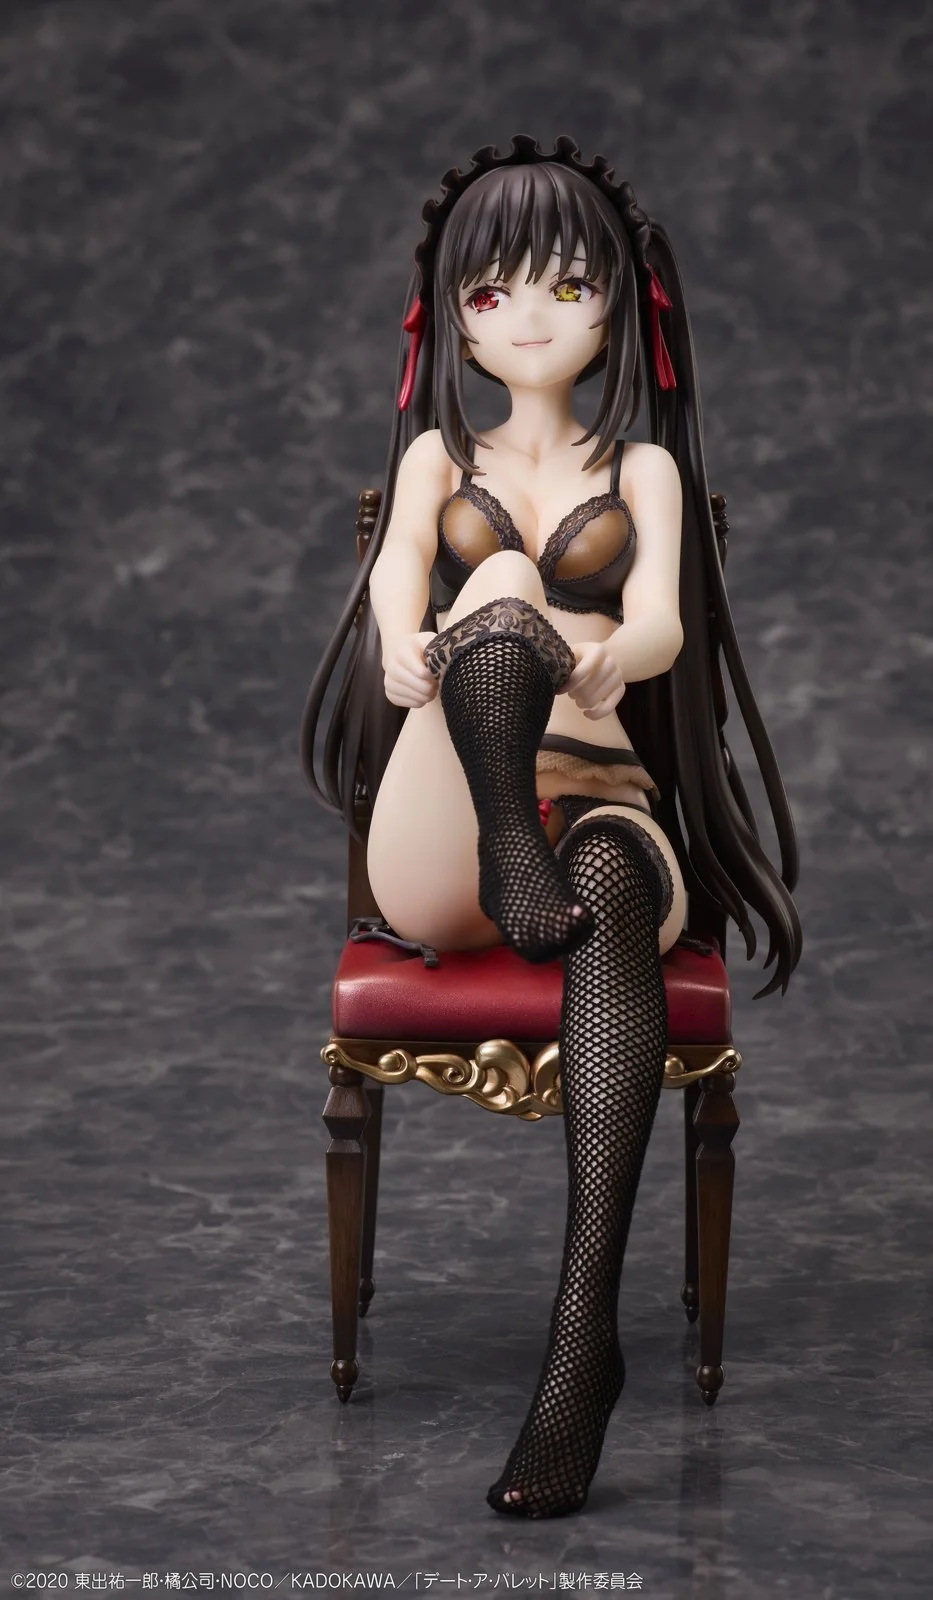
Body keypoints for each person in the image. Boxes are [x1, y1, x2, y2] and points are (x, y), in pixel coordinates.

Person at [301, 135, 802, 1518]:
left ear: (620, 307)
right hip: (447, 839)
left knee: (613, 878)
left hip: (601, 798)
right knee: (504, 582)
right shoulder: (434, 460)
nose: (530, 318)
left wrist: (613, 659)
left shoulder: (641, 470)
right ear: (452, 315)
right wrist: (407, 648)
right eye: (494, 292)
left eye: (567, 286)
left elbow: (662, 623)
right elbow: (399, 584)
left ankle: (583, 1352)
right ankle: (512, 855)